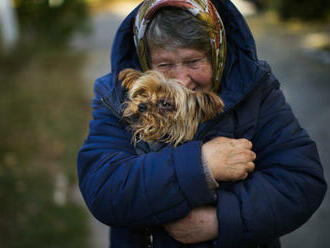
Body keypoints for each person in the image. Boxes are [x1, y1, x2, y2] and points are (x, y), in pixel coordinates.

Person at [77, 0, 327, 247]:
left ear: (217, 55)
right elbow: (103, 189)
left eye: (194, 62)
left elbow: (301, 183)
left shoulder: (256, 89)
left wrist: (221, 220)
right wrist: (202, 165)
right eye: (165, 65)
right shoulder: (115, 95)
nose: (182, 81)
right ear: (146, 61)